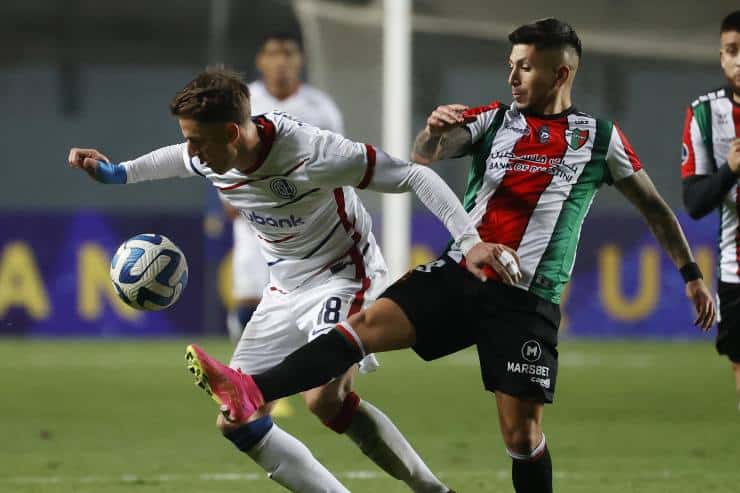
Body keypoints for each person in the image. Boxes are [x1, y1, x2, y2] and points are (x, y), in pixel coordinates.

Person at [185, 19, 717, 493]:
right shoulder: (493, 120)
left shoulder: (599, 139)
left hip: (526, 299)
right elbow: (426, 156)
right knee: (363, 326)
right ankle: (252, 387)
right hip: (461, 273)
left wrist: (691, 274)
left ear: (561, 74)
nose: (512, 78)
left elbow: (655, 208)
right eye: (510, 65)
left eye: (525, 67)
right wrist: (435, 132)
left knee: (521, 435)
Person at [67, 67, 519, 492]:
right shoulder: (210, 153)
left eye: (197, 141)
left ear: (231, 132)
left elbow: (415, 176)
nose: (193, 152)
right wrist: (116, 174)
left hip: (342, 275)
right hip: (282, 287)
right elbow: (177, 160)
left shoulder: (310, 152)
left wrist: (470, 241)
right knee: (236, 419)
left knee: (322, 399)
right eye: (189, 141)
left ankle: (431, 489)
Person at [225, 33, 346, 340]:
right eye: (273, 53)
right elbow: (222, 149)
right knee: (249, 298)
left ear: (299, 60)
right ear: (260, 61)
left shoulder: (321, 108)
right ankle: (253, 372)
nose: (281, 61)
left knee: (305, 297)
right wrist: (226, 193)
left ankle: (296, 368)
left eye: (288, 53)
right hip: (254, 212)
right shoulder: (242, 101)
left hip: (306, 217)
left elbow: (339, 159)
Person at [681, 10, 740, 411]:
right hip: (737, 267)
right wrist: (731, 171)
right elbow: (695, 202)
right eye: (732, 51)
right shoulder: (704, 114)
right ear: (721, 57)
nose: (739, 60)